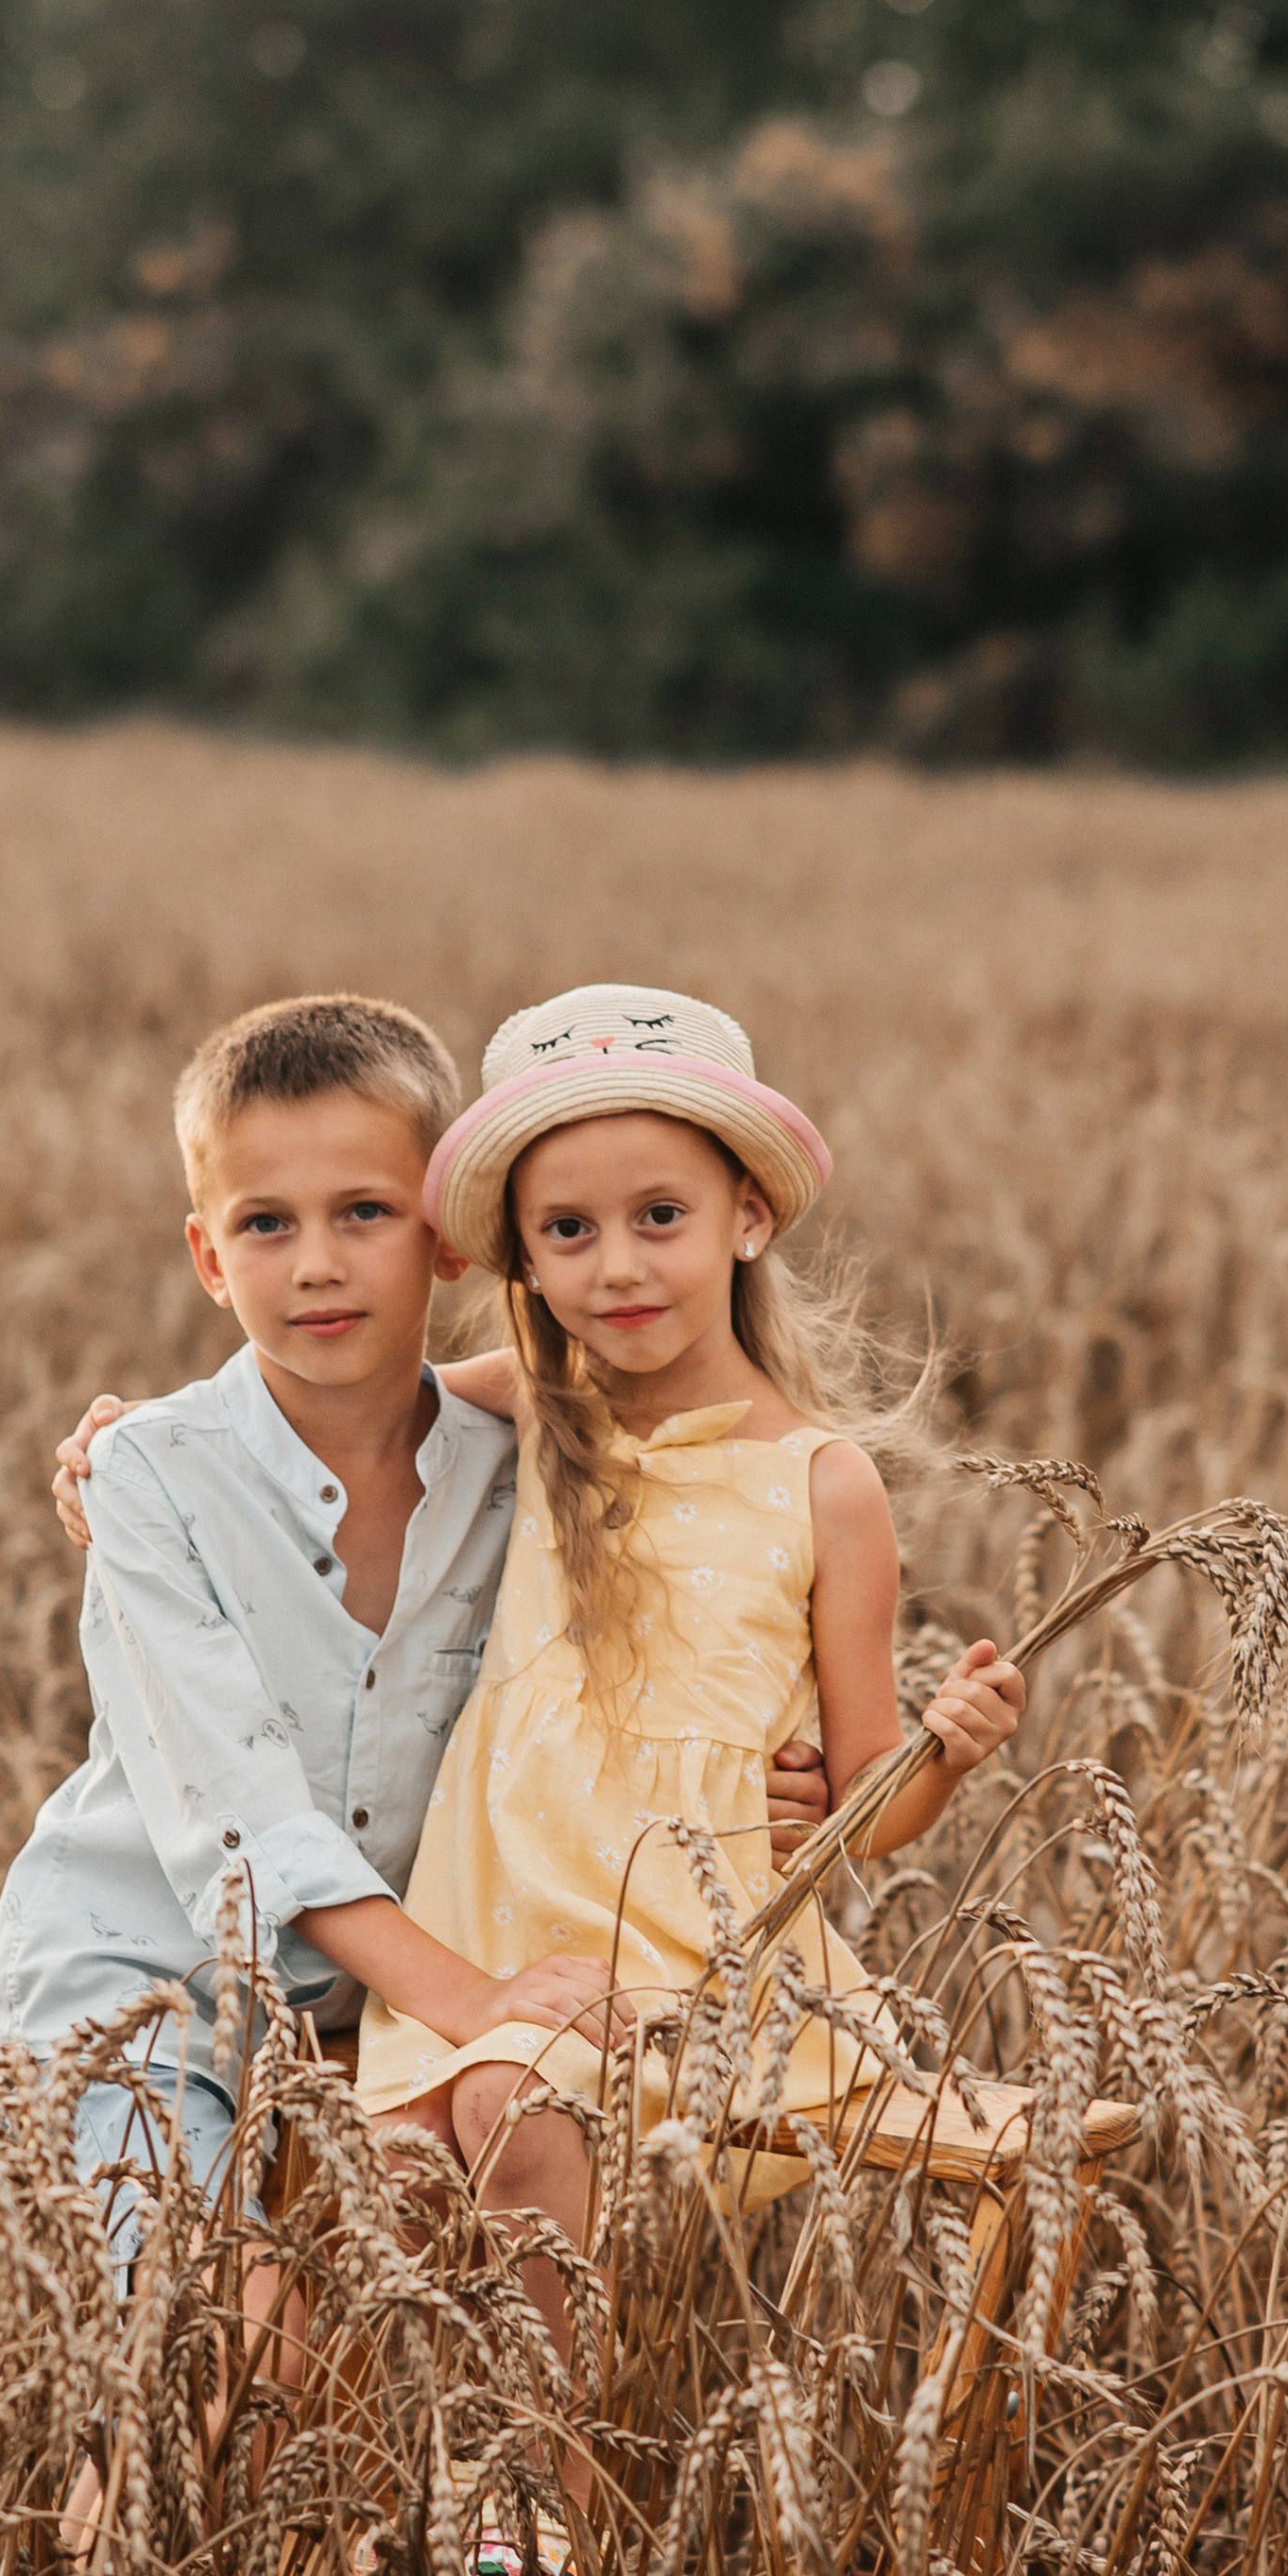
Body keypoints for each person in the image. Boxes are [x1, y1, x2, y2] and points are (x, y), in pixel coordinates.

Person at [0, 989, 830, 2545]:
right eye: (266, 1222)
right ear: (205, 1253)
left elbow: (689, 1596)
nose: (315, 1264)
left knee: (374, 2357)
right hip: (143, 1986)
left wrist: (783, 1771)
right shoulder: (154, 1482)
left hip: (367, 2005)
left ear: (445, 1241)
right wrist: (466, 1996)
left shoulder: (525, 1469)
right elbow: (237, 1823)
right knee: (213, 2360)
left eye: (365, 1212)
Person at [352, 980, 1028, 2384]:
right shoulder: (533, 1408)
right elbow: (313, 1407)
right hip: (484, 1935)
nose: (617, 1266)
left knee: (514, 2111)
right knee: (398, 2193)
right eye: (568, 1231)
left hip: (690, 1970)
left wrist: (947, 1759)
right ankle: (423, 2537)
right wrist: (126, 1447)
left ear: (747, 1218)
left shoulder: (823, 1486)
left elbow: (861, 1807)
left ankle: (538, 2538)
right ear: (525, 1264)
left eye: (660, 1215)